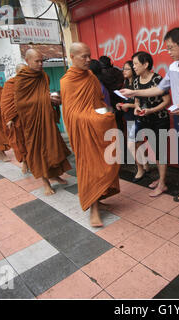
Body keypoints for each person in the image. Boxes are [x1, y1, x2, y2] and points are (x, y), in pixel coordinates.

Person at [120, 28, 179, 212]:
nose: (168, 52)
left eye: (170, 48)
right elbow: (159, 89)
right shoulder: (173, 67)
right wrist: (134, 92)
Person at [61, 42, 120, 227]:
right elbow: (71, 114)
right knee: (91, 169)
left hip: (98, 129)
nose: (88, 60)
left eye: (89, 56)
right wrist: (96, 117)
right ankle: (93, 209)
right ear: (72, 57)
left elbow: (99, 101)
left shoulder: (91, 77)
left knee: (106, 164)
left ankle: (100, 200)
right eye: (83, 57)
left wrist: (106, 112)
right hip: (84, 133)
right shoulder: (67, 82)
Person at [14, 49, 71, 196]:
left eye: (42, 61)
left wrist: (52, 99)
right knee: (38, 151)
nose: (40, 64)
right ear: (27, 61)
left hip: (46, 119)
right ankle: (45, 182)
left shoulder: (44, 76)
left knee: (52, 147)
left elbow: (41, 95)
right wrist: (46, 99)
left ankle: (55, 174)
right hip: (32, 123)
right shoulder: (22, 79)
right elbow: (21, 103)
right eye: (37, 61)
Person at [131, 51, 171, 197]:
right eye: (133, 64)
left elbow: (167, 101)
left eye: (136, 63)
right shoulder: (135, 81)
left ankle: (162, 183)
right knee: (142, 144)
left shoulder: (157, 79)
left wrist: (151, 110)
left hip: (159, 119)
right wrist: (137, 109)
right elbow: (136, 101)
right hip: (144, 120)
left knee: (160, 152)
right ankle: (153, 174)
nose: (133, 66)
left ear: (146, 64)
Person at [116, 60, 150, 173]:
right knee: (136, 142)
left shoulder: (136, 83)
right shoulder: (124, 84)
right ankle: (144, 166)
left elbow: (139, 101)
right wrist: (120, 105)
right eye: (123, 69)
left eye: (127, 69)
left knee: (136, 142)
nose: (124, 71)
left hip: (136, 116)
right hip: (128, 116)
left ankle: (142, 167)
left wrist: (129, 105)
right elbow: (125, 100)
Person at [1, 63, 28, 173]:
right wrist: (9, 118)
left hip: (29, 117)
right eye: (21, 71)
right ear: (17, 72)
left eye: (26, 71)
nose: (24, 74)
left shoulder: (31, 82)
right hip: (16, 119)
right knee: (20, 142)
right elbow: (6, 102)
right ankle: (25, 162)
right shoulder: (10, 84)